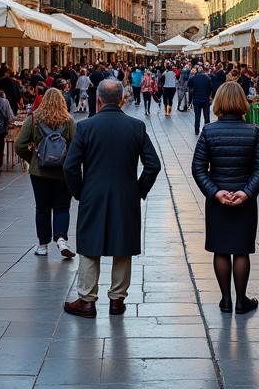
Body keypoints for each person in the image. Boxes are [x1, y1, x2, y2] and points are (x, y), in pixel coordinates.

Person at [62, 79, 161, 317]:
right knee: (123, 244)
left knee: (89, 244)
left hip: (92, 193)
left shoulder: (86, 127)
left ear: (98, 100)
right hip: (126, 194)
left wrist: (79, 191)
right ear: (122, 99)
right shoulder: (136, 126)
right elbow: (153, 165)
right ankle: (117, 299)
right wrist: (138, 189)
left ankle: (87, 300)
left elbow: (70, 166)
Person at [191, 83, 259, 314]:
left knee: (221, 249)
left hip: (218, 200)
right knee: (241, 250)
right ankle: (241, 300)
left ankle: (225, 299)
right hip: (245, 200)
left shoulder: (209, 131)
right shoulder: (253, 131)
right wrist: (247, 192)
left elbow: (198, 168)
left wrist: (215, 192)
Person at [16, 87, 76, 258]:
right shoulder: (69, 120)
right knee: (62, 207)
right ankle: (62, 239)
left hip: (39, 172)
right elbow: (76, 146)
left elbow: (20, 144)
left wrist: (32, 159)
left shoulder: (34, 119)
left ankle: (43, 245)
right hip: (63, 172)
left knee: (42, 208)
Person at [189, 65, 214, 135]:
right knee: (207, 116)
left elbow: (189, 85)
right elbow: (212, 88)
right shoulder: (207, 78)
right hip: (205, 100)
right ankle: (207, 130)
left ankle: (196, 131)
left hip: (196, 100)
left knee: (197, 116)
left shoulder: (194, 77)